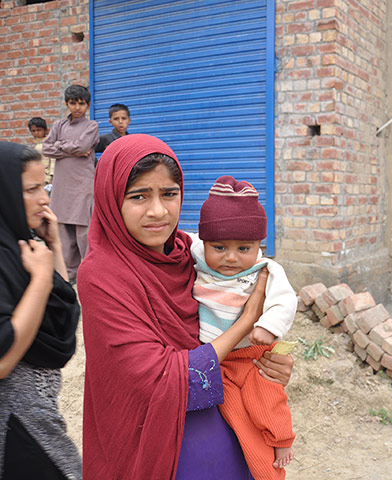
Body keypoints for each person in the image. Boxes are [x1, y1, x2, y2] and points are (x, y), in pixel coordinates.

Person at [77, 134, 294, 479]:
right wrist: (246, 322)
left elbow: (233, 327)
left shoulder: (188, 253)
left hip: (227, 413)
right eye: (138, 196)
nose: (158, 211)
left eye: (169, 194)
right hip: (151, 434)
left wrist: (267, 364)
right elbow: (154, 380)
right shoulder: (103, 273)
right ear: (110, 199)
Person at [191, 176, 297, 478]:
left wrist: (267, 327)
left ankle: (282, 442)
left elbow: (285, 301)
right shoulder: (197, 257)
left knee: (266, 400)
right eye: (220, 247)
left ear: (259, 245)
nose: (231, 258)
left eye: (243, 248)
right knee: (239, 416)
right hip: (217, 360)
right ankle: (259, 463)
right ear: (205, 243)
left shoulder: (264, 270)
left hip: (252, 355)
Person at [0, 142, 80, 479]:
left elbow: (60, 316)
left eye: (43, 187)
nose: (45, 198)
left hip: (38, 417)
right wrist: (41, 278)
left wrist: (55, 246)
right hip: (15, 425)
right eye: (31, 189)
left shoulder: (23, 248)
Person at [42, 84, 99, 283]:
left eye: (81, 104)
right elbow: (46, 148)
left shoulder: (91, 126)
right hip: (61, 186)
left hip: (83, 185)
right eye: (73, 103)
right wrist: (71, 150)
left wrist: (61, 147)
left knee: (83, 233)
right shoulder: (59, 126)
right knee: (64, 233)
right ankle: (68, 275)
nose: (77, 108)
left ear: (87, 105)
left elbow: (84, 146)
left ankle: (89, 273)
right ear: (67, 104)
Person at [27, 117, 54, 191]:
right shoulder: (35, 145)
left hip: (47, 179)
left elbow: (53, 161)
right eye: (33, 131)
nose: (36, 133)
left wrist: (52, 178)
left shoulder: (48, 143)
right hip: (37, 177)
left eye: (39, 130)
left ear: (46, 130)